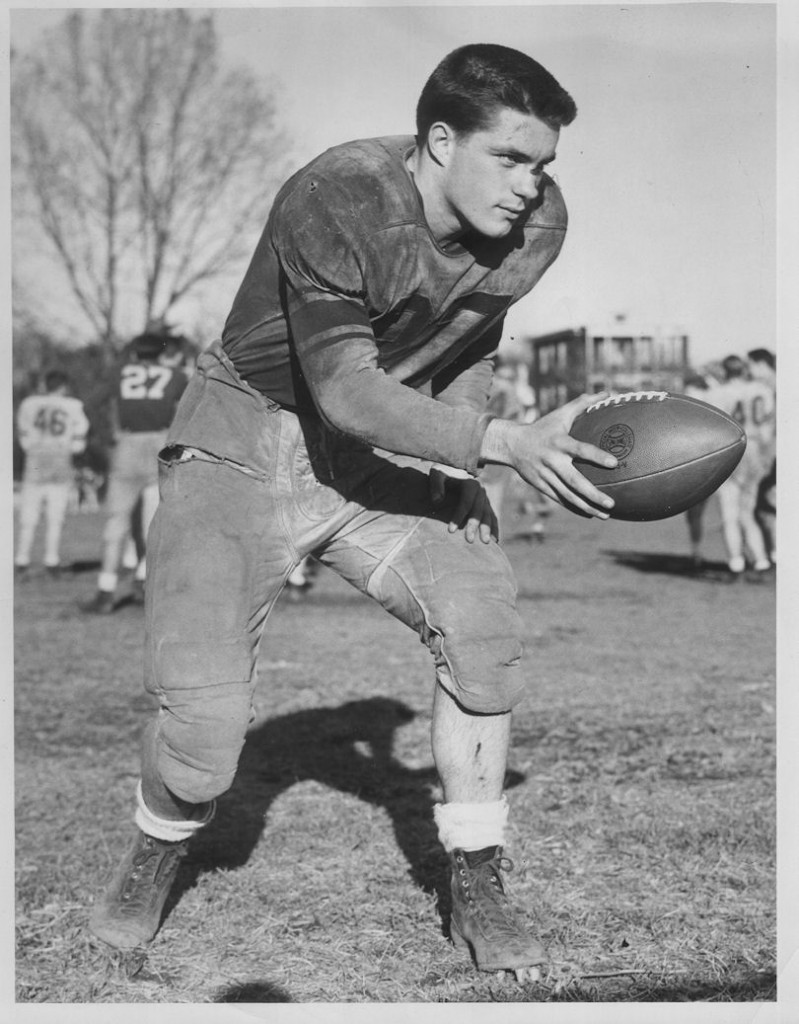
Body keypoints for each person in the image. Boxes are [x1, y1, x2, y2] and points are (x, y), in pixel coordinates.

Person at [88, 44, 619, 980]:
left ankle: (477, 874)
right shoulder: (337, 193)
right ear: (439, 138)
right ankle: (159, 843)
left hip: (377, 456)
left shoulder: (533, 226)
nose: (533, 185)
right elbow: (342, 388)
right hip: (245, 439)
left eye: (544, 163)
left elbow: (466, 349)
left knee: (482, 627)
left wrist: (461, 450)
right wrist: (497, 442)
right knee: (202, 737)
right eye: (511, 158)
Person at [82, 332, 189, 613]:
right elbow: (191, 407)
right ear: (160, 354)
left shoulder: (120, 373)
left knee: (117, 521)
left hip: (128, 444)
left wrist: (110, 434)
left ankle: (106, 589)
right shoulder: (175, 374)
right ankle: (144, 581)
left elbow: (91, 403)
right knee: (151, 521)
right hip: (159, 442)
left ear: (134, 353)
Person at [688, 355, 775, 575]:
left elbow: (708, 428)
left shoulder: (716, 393)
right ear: (744, 369)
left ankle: (736, 560)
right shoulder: (761, 389)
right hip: (756, 451)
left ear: (724, 371)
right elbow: (768, 424)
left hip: (733, 450)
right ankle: (761, 559)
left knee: (730, 512)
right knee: (747, 510)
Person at [14, 370, 89, 576]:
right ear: (63, 386)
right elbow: (79, 441)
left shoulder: (29, 403)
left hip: (36, 461)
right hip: (60, 460)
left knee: (28, 515)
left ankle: (21, 559)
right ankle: (51, 560)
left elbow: (24, 435)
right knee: (56, 516)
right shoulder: (73, 405)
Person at [747, 347, 776, 563]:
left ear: (761, 364)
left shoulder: (776, 388)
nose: (749, 371)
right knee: (762, 507)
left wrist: (768, 457)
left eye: (751, 366)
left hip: (776, 456)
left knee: (766, 506)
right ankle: (774, 554)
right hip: (772, 456)